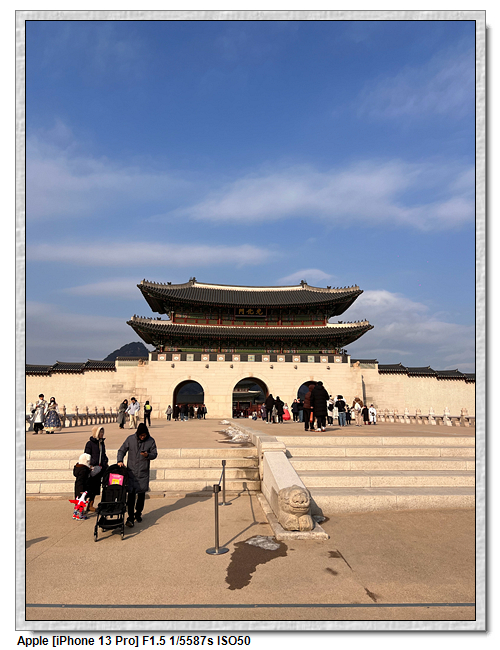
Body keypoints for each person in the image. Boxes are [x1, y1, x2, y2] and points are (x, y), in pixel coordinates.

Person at [117, 422, 158, 528]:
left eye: (144, 435)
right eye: (141, 435)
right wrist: (120, 460)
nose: (142, 437)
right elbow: (121, 450)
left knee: (141, 496)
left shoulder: (151, 441)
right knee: (130, 496)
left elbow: (154, 454)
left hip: (143, 472)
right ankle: (130, 517)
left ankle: (138, 513)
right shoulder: (130, 439)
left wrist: (148, 455)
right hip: (131, 472)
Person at [84, 425, 109, 512]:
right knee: (89, 488)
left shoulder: (101, 443)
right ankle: (81, 505)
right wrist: (90, 465)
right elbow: (86, 456)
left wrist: (105, 461)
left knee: (95, 488)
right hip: (93, 469)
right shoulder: (90, 444)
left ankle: (90, 504)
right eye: (100, 432)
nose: (102, 434)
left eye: (102, 432)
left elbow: (103, 454)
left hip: (100, 468)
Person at [72, 453, 91, 520]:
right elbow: (81, 480)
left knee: (77, 501)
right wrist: (82, 490)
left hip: (77, 487)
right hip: (82, 488)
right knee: (81, 502)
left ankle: (75, 514)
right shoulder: (84, 470)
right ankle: (80, 515)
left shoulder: (78, 468)